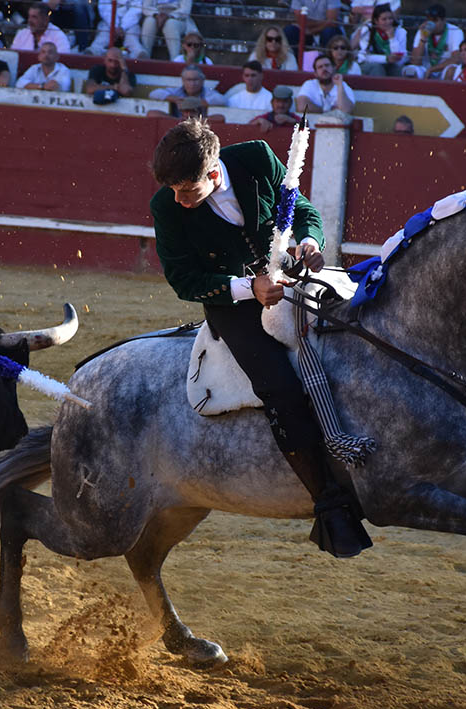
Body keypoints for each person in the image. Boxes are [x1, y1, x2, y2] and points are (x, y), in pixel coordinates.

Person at [149, 118, 370, 558]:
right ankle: (327, 502)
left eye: (187, 191)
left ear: (213, 174)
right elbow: (184, 279)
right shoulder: (166, 206)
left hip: (291, 275)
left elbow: (302, 209)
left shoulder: (255, 158)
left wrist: (309, 241)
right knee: (278, 386)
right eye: (174, 191)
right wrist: (246, 288)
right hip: (233, 304)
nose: (179, 200)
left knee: (361, 330)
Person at [403, 3, 462, 79]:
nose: (431, 24)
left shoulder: (455, 31)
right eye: (429, 20)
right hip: (425, 69)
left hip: (443, 69)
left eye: (435, 20)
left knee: (452, 70)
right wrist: (423, 39)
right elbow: (415, 61)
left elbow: (455, 59)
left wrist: (432, 69)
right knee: (409, 71)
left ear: (444, 20)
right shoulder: (423, 30)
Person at [148, 63, 226, 117]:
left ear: (202, 80)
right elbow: (153, 94)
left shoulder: (207, 92)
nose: (192, 84)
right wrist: (175, 99)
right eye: (189, 80)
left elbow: (222, 100)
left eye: (195, 80)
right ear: (183, 80)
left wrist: (198, 102)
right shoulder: (177, 92)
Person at [351, 2, 407, 77]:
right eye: (384, 19)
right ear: (376, 21)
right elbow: (364, 56)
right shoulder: (367, 30)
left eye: (390, 18)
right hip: (369, 64)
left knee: (398, 70)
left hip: (389, 64)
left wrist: (392, 38)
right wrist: (385, 59)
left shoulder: (400, 32)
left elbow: (398, 58)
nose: (388, 22)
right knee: (377, 68)